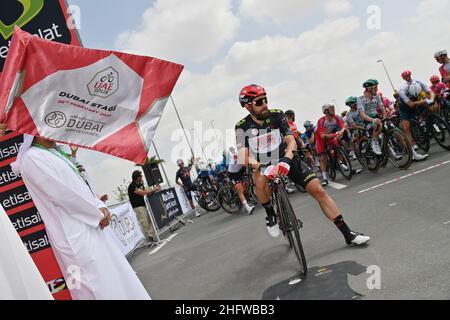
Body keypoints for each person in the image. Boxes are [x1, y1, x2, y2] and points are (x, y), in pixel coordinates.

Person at [8, 133, 150, 300]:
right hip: (72, 236)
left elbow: (82, 188)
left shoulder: (57, 153)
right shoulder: (32, 158)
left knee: (115, 281)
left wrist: (101, 207)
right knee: (96, 288)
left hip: (92, 227)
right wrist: (97, 214)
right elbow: (62, 196)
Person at [235, 84, 370, 246]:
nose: (264, 104)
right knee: (258, 178)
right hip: (263, 164)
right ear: (248, 106)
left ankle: (348, 234)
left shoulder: (277, 115)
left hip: (286, 158)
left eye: (265, 99)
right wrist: (262, 167)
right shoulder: (242, 126)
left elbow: (291, 141)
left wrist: (286, 160)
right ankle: (270, 213)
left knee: (318, 189)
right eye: (259, 102)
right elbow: (243, 157)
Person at [397, 71, 433, 160]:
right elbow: (411, 104)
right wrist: (424, 101)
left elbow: (430, 92)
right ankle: (413, 154)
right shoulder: (402, 90)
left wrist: (431, 100)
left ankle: (432, 125)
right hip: (405, 107)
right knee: (406, 127)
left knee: (433, 106)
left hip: (418, 101)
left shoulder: (418, 83)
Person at [315, 103, 348, 186]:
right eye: (331, 109)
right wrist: (335, 134)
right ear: (326, 111)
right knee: (322, 157)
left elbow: (342, 126)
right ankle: (325, 178)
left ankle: (344, 165)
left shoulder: (336, 117)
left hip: (330, 135)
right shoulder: (321, 121)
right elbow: (322, 136)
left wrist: (342, 131)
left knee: (337, 146)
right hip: (320, 138)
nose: (333, 110)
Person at [128, 170, 160, 243]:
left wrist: (154, 190)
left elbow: (147, 191)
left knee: (152, 219)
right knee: (145, 223)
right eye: (140, 176)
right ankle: (149, 240)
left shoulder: (140, 184)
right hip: (138, 207)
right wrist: (153, 190)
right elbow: (143, 193)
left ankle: (150, 235)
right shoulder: (132, 186)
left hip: (145, 205)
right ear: (137, 177)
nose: (142, 177)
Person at [227, 146, 255, 214]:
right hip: (233, 173)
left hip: (240, 169)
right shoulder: (237, 155)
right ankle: (248, 208)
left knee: (251, 176)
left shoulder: (245, 152)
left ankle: (248, 194)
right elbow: (246, 163)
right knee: (239, 188)